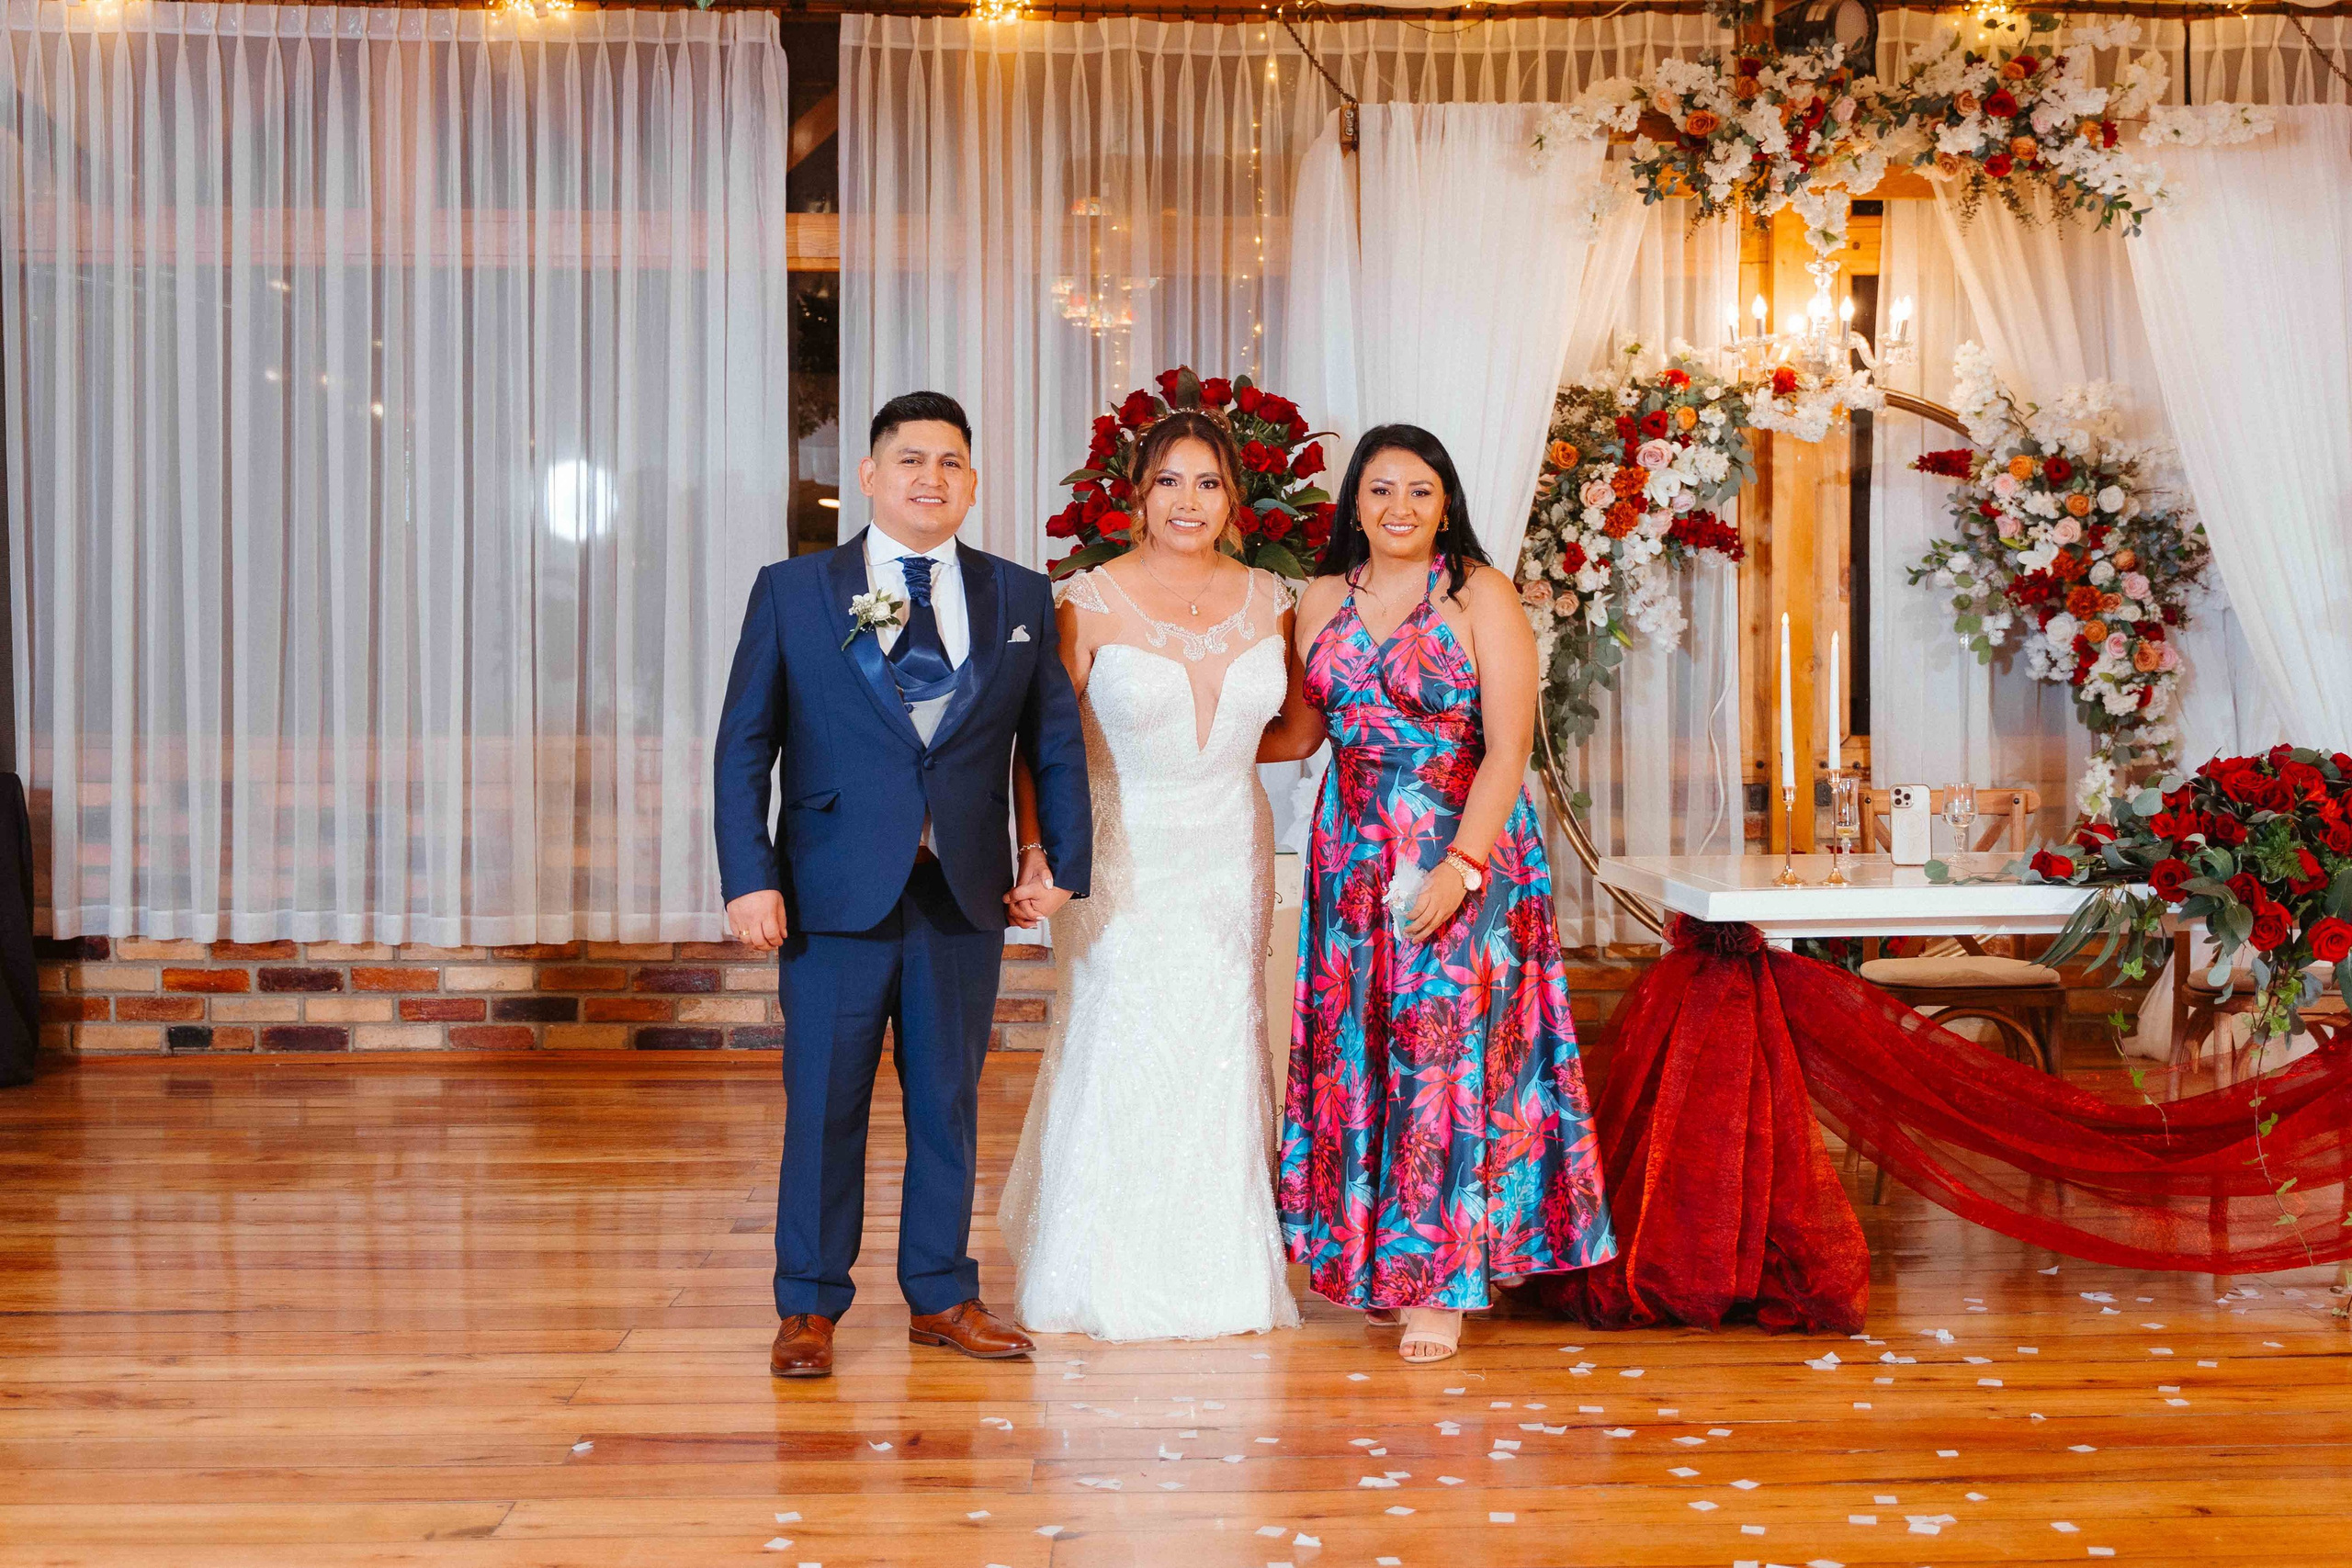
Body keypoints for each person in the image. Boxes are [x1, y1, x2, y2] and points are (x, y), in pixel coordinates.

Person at [712, 390, 1093, 1379]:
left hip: (960, 894)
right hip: (832, 894)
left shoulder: (1017, 596)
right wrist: (749, 877)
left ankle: (943, 1293)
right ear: (871, 477)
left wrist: (1055, 859)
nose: (932, 477)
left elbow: (1050, 744)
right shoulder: (795, 591)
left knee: (948, 1104)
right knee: (825, 1104)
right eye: (911, 459)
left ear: (972, 481)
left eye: (951, 463)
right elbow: (743, 746)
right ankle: (808, 1306)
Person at [1279, 423, 1614, 1364]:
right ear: (1354, 502)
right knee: (1366, 1054)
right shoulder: (1314, 600)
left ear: (1445, 504)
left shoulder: (1479, 594)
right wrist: (1163, 739)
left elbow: (1509, 745)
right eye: (1381, 490)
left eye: (1419, 492)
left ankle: (1442, 1281)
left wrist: (1460, 866)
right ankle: (1381, 1261)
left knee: (1446, 1063)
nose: (1399, 508)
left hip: (1461, 853)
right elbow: (1299, 733)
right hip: (1348, 860)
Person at [997, 409, 1325, 1341]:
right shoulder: (1087, 600)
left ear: (1234, 499)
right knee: (1123, 1030)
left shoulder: (1272, 599)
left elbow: (1299, 729)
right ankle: (1096, 1269)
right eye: (1170, 480)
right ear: (1138, 492)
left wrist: (1214, 758)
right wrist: (1040, 851)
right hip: (1121, 845)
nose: (1189, 501)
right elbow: (1039, 745)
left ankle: (1222, 1273)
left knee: (1222, 1033)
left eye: (1209, 483)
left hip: (1227, 844)